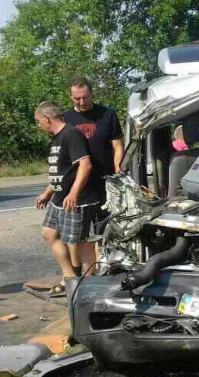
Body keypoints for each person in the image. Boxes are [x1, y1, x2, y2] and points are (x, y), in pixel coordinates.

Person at [34, 101, 97, 295]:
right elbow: (62, 171)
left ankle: (89, 283)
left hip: (76, 198)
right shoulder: (57, 137)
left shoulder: (71, 134)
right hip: (59, 198)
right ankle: (69, 276)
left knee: (79, 241)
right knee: (50, 233)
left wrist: (74, 193)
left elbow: (85, 165)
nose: (38, 125)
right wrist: (48, 192)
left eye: (38, 121)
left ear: (47, 118)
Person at [64, 76, 124, 274]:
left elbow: (117, 147)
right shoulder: (66, 120)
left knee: (104, 231)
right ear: (70, 97)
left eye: (85, 97)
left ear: (91, 93)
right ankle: (77, 275)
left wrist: (118, 173)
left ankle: (102, 270)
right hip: (78, 187)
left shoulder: (107, 115)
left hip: (104, 185)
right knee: (76, 235)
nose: (82, 102)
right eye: (77, 99)